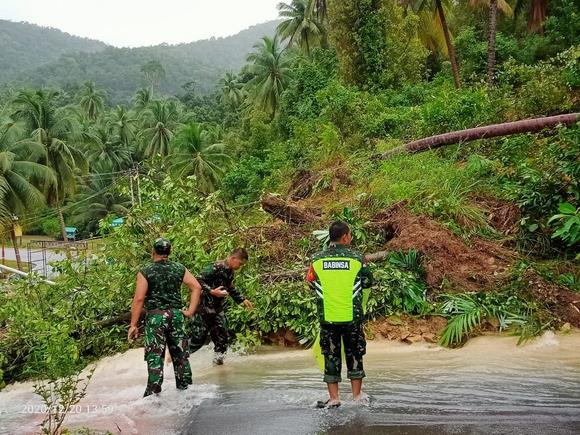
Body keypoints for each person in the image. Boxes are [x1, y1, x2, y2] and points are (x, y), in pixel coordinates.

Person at [307, 221, 373, 408]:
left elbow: (310, 282)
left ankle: (335, 399)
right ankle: (357, 396)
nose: (350, 238)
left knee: (330, 355)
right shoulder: (357, 259)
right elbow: (368, 281)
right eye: (350, 235)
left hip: (328, 317)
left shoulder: (317, 259)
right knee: (355, 354)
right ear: (345, 236)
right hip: (352, 317)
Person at [128, 237, 202, 397]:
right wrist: (189, 311)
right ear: (169, 252)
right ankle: (186, 392)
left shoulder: (146, 271)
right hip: (176, 316)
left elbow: (139, 298)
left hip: (156, 318)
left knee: (155, 356)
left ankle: (153, 395)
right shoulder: (179, 268)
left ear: (153, 252)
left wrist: (133, 324)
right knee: (181, 355)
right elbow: (196, 287)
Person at [189, 248, 253, 365]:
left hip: (217, 308)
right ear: (233, 258)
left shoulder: (230, 271)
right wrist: (212, 291)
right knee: (198, 340)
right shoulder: (215, 267)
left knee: (222, 338)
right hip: (203, 307)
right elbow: (197, 280)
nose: (240, 266)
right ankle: (175, 357)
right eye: (240, 263)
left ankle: (218, 365)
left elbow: (230, 287)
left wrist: (242, 299)